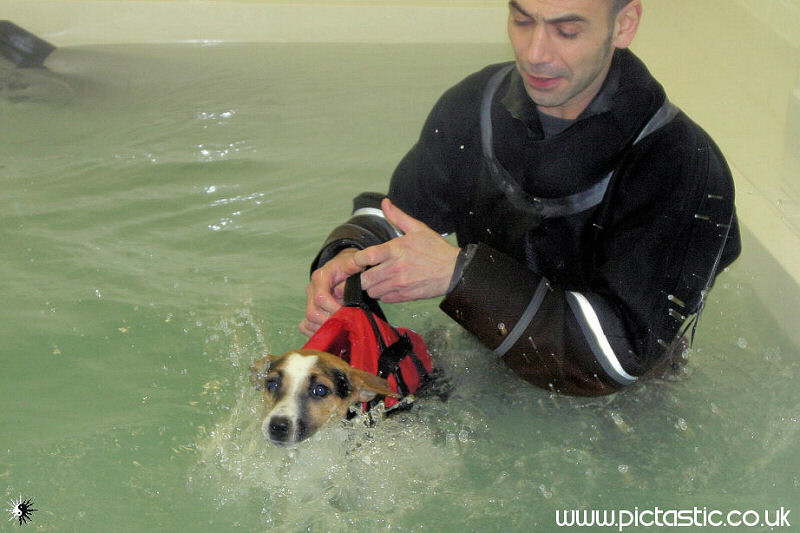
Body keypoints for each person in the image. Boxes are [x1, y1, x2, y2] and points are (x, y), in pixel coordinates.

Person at [299, 0, 741, 396]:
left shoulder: (681, 164)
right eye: (522, 20)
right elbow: (401, 216)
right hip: (489, 357)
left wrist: (459, 275)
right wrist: (348, 256)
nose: (535, 54)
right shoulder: (474, 103)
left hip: (619, 403)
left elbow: (619, 360)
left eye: (567, 31)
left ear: (623, 25)